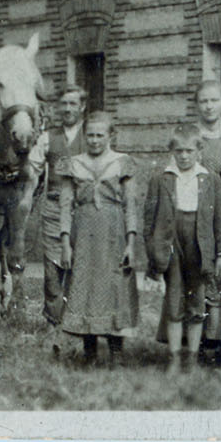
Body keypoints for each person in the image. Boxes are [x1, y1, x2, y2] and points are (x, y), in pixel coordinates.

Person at [56, 111, 142, 366]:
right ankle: (89, 352)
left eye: (99, 135)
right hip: (82, 237)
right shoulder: (73, 163)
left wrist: (130, 242)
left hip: (113, 236)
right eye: (90, 135)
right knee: (85, 288)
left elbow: (131, 205)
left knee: (114, 288)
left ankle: (116, 352)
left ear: (110, 136)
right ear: (85, 136)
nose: (94, 140)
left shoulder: (122, 162)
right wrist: (64, 244)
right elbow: (65, 205)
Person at [142, 129, 221, 374]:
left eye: (189, 151)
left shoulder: (211, 179)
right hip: (171, 243)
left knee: (197, 301)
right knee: (173, 301)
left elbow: (220, 220)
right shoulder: (162, 178)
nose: (183, 156)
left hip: (200, 245)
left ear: (199, 152)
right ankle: (173, 358)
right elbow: (149, 220)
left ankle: (192, 358)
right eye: (178, 151)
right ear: (172, 152)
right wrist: (152, 253)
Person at [190, 79, 221, 357]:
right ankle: (193, 338)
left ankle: (217, 340)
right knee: (195, 271)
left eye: (214, 101)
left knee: (220, 274)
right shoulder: (190, 135)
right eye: (203, 101)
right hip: (193, 210)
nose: (209, 106)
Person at [35, 85, 88, 335]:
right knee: (52, 268)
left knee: (80, 266)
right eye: (64, 104)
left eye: (73, 104)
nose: (68, 109)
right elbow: (32, 168)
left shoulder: (93, 135)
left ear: (82, 107)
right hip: (54, 207)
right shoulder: (48, 137)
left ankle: (76, 322)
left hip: (85, 209)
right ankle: (52, 322)